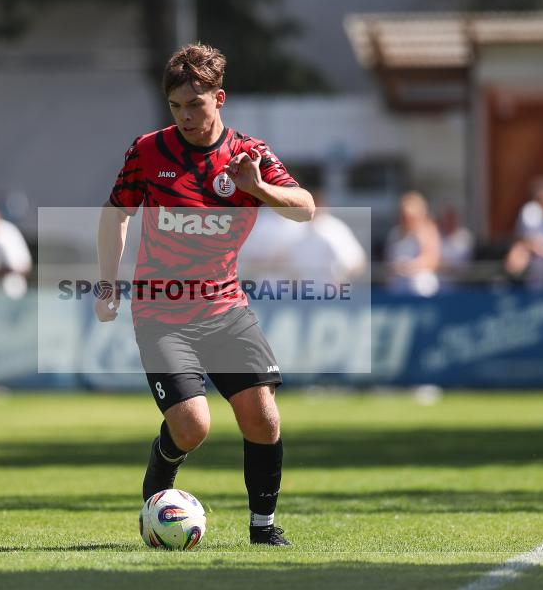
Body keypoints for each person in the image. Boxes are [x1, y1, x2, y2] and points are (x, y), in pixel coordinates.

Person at [96, 43, 314, 546]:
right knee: (193, 425)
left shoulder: (248, 155)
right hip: (161, 310)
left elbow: (304, 208)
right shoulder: (148, 150)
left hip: (225, 307)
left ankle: (263, 530)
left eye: (195, 104)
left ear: (220, 97)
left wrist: (260, 189)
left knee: (262, 417)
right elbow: (116, 213)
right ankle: (161, 476)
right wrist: (107, 282)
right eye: (176, 107)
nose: (186, 116)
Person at [288, 188, 366, 288]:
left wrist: (341, 279)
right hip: (304, 293)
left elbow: (358, 261)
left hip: (333, 293)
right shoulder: (296, 229)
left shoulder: (336, 228)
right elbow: (289, 265)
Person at [385, 192, 441, 297]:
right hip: (399, 280)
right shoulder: (395, 234)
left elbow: (432, 259)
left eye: (410, 217)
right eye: (404, 216)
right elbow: (390, 260)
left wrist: (411, 266)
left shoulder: (427, 231)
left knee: (419, 283)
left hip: (420, 280)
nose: (407, 220)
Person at [437, 206, 474, 288]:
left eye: (450, 219)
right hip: (440, 281)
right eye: (446, 219)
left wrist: (442, 264)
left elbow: (461, 262)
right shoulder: (437, 235)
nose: (448, 222)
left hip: (461, 282)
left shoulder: (464, 236)